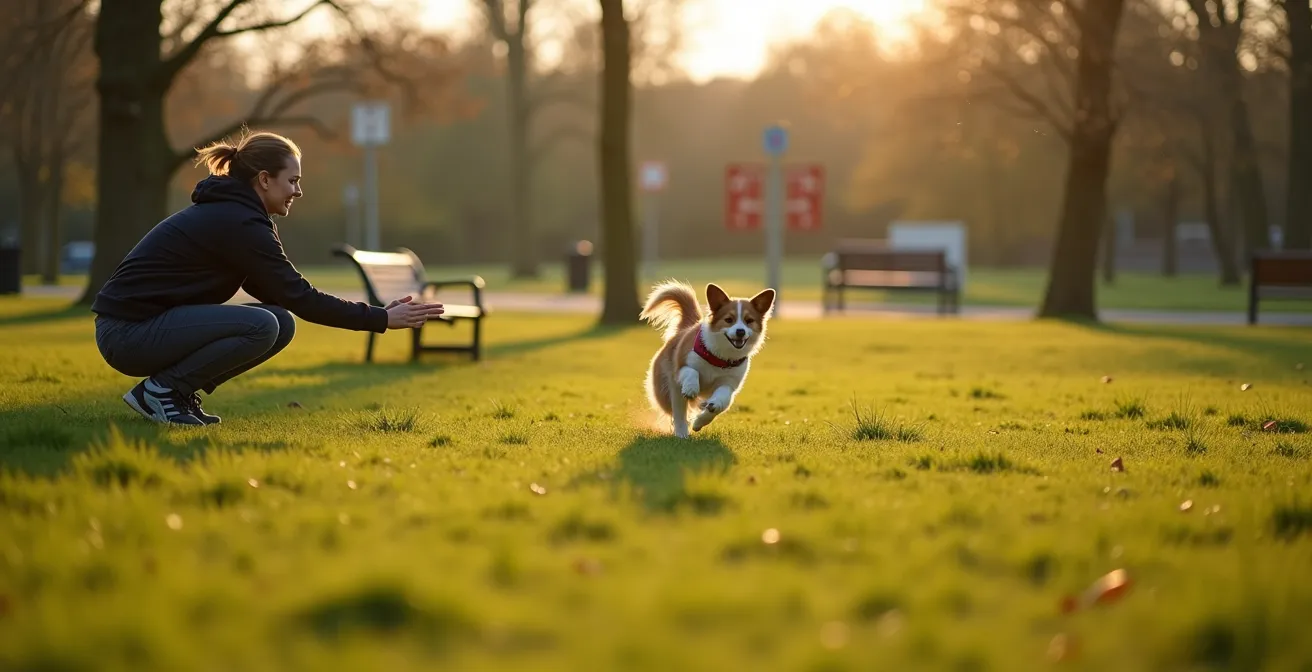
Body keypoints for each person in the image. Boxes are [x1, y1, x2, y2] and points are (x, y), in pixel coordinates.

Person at [91, 130, 444, 426]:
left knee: (279, 321)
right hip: (127, 334)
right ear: (264, 179)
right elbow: (300, 295)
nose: (298, 191)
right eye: (292, 181)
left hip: (139, 329)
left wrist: (377, 313)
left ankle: (174, 394)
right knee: (263, 325)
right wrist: (381, 318)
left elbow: (286, 297)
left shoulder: (237, 216)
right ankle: (160, 392)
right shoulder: (240, 222)